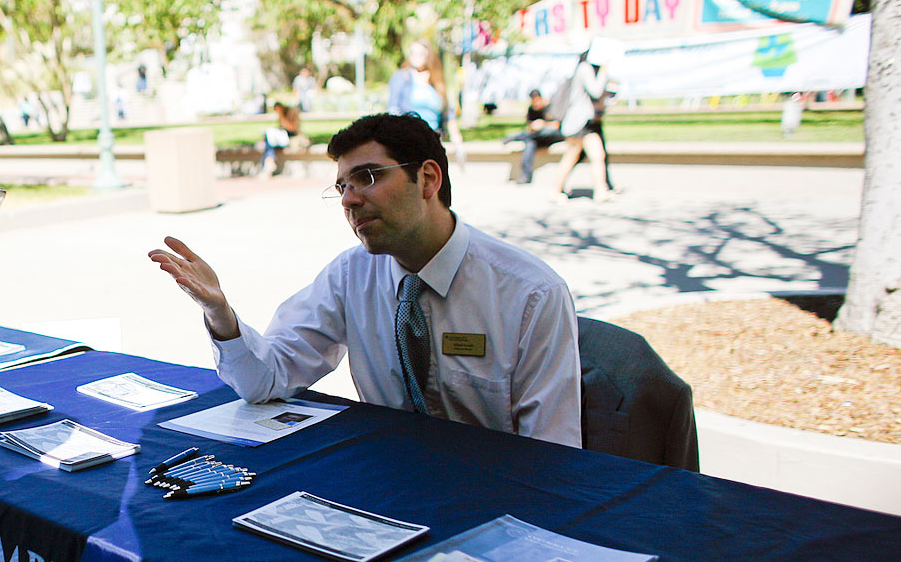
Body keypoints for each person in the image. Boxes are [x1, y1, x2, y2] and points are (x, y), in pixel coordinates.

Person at [150, 112, 582, 447]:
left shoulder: (529, 293)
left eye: (368, 177)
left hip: (497, 492)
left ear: (428, 179)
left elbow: (553, 450)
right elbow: (266, 381)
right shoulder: (351, 276)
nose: (350, 200)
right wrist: (219, 313)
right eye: (341, 187)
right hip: (386, 477)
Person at [548, 46, 616, 203]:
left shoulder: (584, 68)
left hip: (585, 122)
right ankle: (554, 191)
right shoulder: (584, 68)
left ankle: (600, 191)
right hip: (579, 122)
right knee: (572, 156)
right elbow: (595, 90)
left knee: (598, 155)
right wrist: (604, 71)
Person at [385, 41, 465, 163]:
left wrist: (457, 139)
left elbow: (448, 112)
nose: (416, 56)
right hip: (409, 139)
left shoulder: (436, 80)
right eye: (412, 53)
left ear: (428, 55)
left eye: (420, 53)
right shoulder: (402, 77)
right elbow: (393, 109)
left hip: (433, 139)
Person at [510, 88, 563, 185]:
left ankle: (517, 137)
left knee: (542, 132)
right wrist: (534, 127)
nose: (536, 105)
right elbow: (529, 126)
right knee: (529, 143)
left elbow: (557, 125)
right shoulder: (531, 109)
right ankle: (525, 175)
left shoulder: (551, 107)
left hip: (552, 135)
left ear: (541, 99)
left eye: (537, 102)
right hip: (537, 137)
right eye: (533, 102)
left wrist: (543, 124)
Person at [258, 101, 305, 179]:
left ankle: (269, 162)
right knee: (269, 139)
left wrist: (281, 115)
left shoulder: (290, 113)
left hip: (291, 137)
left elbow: (291, 127)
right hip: (282, 139)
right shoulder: (281, 115)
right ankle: (269, 161)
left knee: (269, 141)